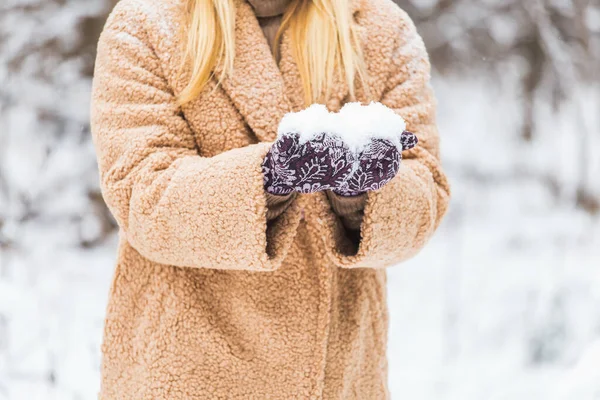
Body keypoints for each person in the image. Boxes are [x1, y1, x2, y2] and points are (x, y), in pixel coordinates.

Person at [90, 0, 450, 398]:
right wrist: (269, 179)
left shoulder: (382, 29)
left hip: (337, 374)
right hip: (186, 367)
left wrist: (361, 193)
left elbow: (425, 189)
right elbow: (144, 195)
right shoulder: (146, 22)